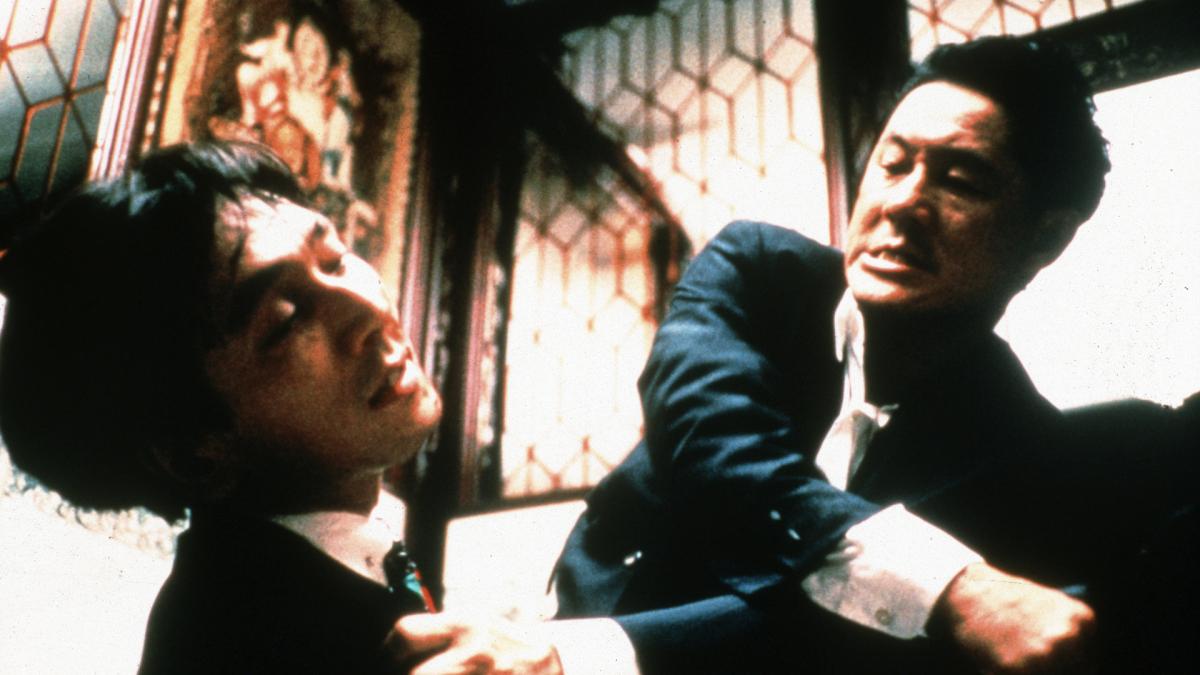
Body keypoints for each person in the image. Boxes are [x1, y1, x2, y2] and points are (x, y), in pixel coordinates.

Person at [553, 36, 1179, 673]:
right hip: (564, 635)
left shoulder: (1015, 439)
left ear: (1046, 237)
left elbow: (864, 635)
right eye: (893, 164)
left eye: (960, 182)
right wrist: (951, 588)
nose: (903, 202)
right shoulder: (756, 273)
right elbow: (716, 446)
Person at [0, 141, 632, 674]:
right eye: (286, 319)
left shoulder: (296, 566)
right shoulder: (242, 642)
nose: (368, 308)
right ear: (194, 448)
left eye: (334, 258)